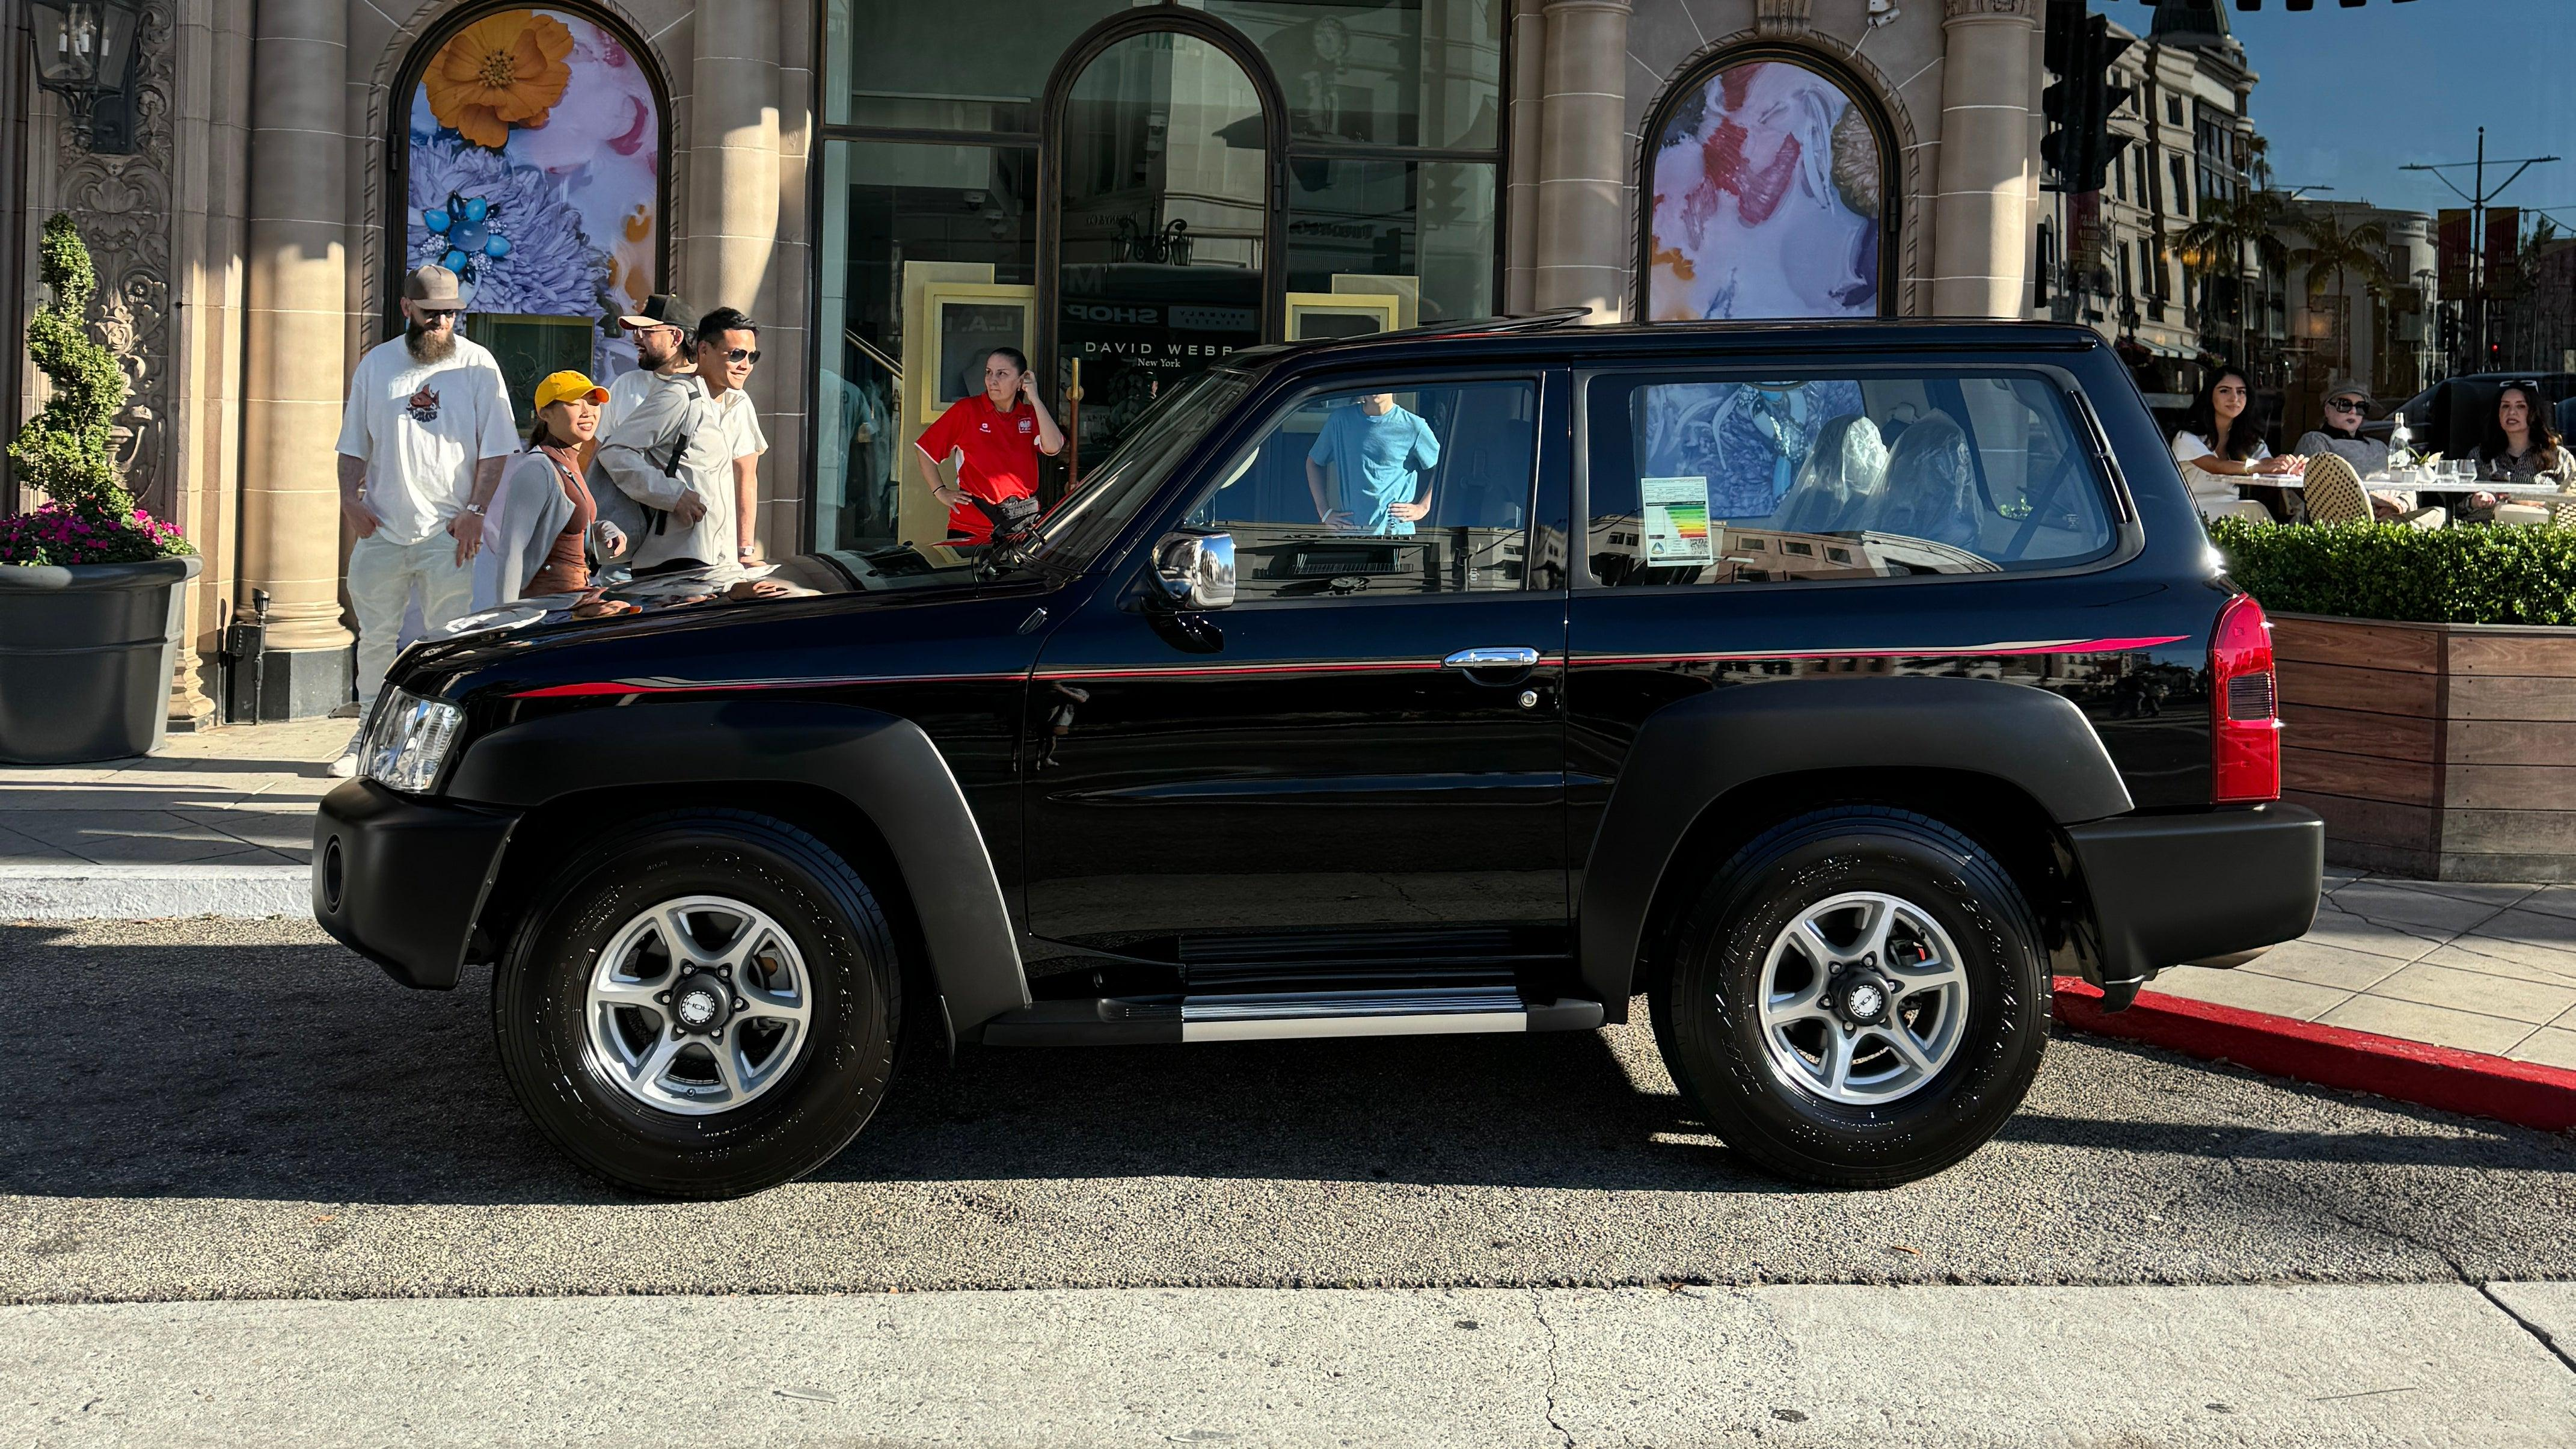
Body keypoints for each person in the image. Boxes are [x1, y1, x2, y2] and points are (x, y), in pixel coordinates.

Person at [330, 263, 517, 776]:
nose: (442, 324)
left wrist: (476, 512)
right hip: (383, 528)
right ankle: (367, 733)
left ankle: (427, 747)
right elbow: (352, 446)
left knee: (444, 642)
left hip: (447, 532)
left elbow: (496, 449)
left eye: (451, 314)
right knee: (375, 637)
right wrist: (350, 500)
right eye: (432, 313)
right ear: (406, 307)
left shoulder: (478, 364)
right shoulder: (377, 364)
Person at [472, 371, 629, 611]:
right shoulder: (537, 468)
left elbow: (564, 530)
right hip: (551, 611)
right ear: (545, 414)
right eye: (574, 403)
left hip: (574, 601)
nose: (587, 411)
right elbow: (512, 550)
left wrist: (602, 529)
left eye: (593, 402)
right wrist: (507, 618)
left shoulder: (567, 461)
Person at [916, 348, 1065, 546]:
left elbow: (1054, 447)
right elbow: (925, 450)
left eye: (1002, 373)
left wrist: (1035, 399)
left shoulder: (1029, 414)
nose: (992, 380)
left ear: (1021, 380)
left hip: (1021, 526)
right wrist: (940, 491)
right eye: (988, 372)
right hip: (973, 527)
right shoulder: (968, 410)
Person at [2172, 368, 2302, 522]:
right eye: (2225, 391)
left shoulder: (2248, 439)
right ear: (2210, 395)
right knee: (2255, 510)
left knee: (2254, 509)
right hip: (2191, 511)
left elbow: (2266, 462)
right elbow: (2217, 467)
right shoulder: (2186, 438)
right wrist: (2258, 466)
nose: (2235, 398)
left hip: (2230, 509)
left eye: (2241, 392)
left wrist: (2283, 466)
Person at [695, 307, 770, 567]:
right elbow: (620, 455)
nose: (745, 365)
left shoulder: (740, 402)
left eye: (753, 356)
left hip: (722, 552)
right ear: (703, 350)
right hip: (672, 550)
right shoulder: (676, 397)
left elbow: (746, 474)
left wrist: (745, 549)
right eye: (737, 354)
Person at [2294, 380, 2429, 523]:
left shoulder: (2379, 446)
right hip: (2348, 521)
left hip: (2393, 516)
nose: (2353, 412)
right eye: (2344, 405)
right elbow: (2324, 490)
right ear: (2328, 410)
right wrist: (2376, 501)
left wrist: (2400, 505)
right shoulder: (2315, 441)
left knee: (2439, 514)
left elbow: (2406, 481)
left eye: (2360, 407)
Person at [1304, 392, 1440, 534]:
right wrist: (1324, 512)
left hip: (1397, 535)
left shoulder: (1414, 426)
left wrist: (1423, 507)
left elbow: (1443, 469)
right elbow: (1314, 463)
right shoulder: (1340, 421)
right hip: (1351, 534)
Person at [604, 294, 698, 434]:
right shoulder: (625, 385)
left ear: (676, 337)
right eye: (636, 331)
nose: (636, 338)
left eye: (646, 331)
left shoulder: (717, 392)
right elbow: (601, 448)